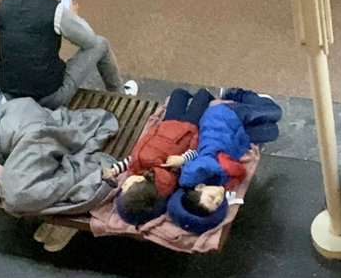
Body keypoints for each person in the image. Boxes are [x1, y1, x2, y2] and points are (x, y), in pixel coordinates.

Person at [0, 0, 137, 109]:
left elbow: (28, 24)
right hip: (49, 97)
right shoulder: (55, 10)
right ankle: (120, 95)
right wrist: (71, 16)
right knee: (101, 43)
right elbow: (89, 41)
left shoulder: (4, 5)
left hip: (10, 95)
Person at [103, 88, 211, 226]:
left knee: (177, 94)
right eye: (126, 186)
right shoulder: (169, 176)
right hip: (187, 131)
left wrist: (115, 170)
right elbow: (195, 154)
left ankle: (185, 94)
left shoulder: (137, 170)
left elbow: (131, 160)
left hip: (165, 126)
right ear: (142, 185)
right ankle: (205, 95)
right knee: (201, 98)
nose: (123, 183)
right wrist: (183, 159)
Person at [167, 98, 251, 234]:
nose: (219, 198)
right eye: (217, 203)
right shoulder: (205, 177)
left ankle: (235, 95)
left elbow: (240, 171)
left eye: (212, 197)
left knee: (265, 111)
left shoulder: (210, 168)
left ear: (200, 186)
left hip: (221, 118)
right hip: (219, 126)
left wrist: (233, 181)